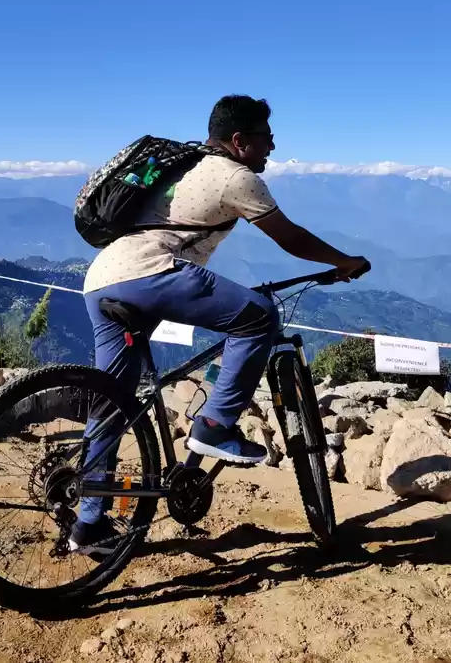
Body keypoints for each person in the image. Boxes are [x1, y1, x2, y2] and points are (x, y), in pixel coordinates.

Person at [71, 94, 371, 555]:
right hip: (150, 274)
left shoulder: (184, 165)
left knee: (114, 402)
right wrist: (343, 261)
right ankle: (214, 424)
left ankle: (88, 523)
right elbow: (289, 237)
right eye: (266, 137)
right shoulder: (236, 176)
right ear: (239, 140)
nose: (272, 145)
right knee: (258, 317)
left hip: (102, 280)